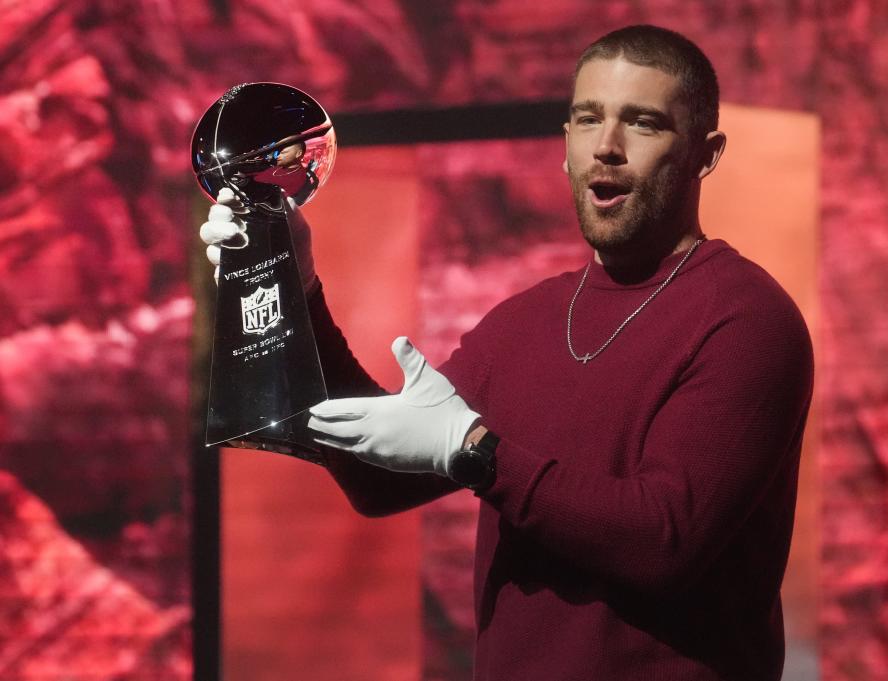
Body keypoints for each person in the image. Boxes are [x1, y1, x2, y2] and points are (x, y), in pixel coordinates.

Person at [200, 24, 814, 681]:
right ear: (565, 144)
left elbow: (664, 541)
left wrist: (477, 451)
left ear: (705, 153)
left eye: (642, 123)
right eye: (587, 118)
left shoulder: (746, 319)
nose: (606, 147)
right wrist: (296, 289)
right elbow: (379, 477)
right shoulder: (520, 324)